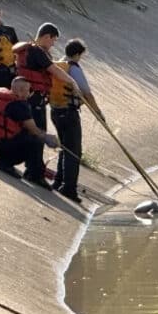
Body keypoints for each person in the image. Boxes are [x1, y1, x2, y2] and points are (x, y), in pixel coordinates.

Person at [13, 22, 79, 181]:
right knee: (38, 134)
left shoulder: (29, 50)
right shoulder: (36, 51)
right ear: (46, 36)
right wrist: (72, 82)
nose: (53, 44)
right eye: (53, 40)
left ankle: (33, 168)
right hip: (34, 100)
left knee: (31, 134)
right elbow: (54, 70)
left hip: (29, 98)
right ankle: (34, 173)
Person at [49, 39, 105, 203]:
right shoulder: (73, 68)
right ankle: (69, 189)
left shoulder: (58, 65)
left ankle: (58, 181)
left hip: (55, 110)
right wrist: (98, 113)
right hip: (69, 113)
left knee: (65, 147)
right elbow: (87, 93)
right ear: (78, 54)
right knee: (74, 152)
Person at [0, 76, 59, 189]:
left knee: (27, 135)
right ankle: (33, 174)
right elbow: (34, 129)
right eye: (28, 91)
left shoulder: (1, 97)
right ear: (21, 91)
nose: (29, 94)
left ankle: (4, 162)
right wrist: (49, 139)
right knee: (34, 140)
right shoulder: (18, 105)